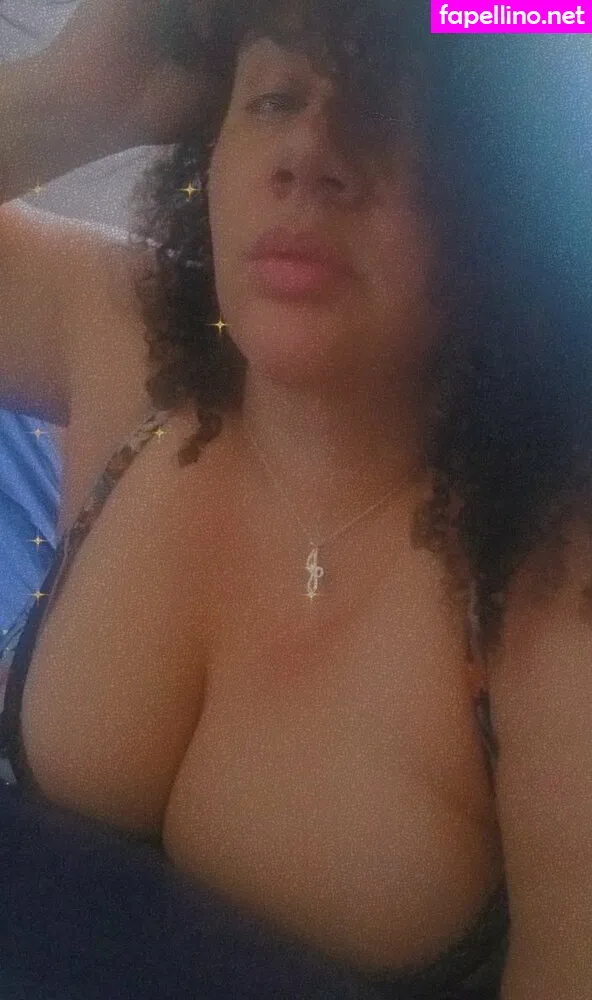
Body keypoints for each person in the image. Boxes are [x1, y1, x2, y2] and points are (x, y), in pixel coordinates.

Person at [1, 0, 591, 996]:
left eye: (388, 115)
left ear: (514, 193)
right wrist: (73, 97)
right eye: (272, 98)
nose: (310, 154)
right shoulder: (134, 341)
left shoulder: (547, 588)